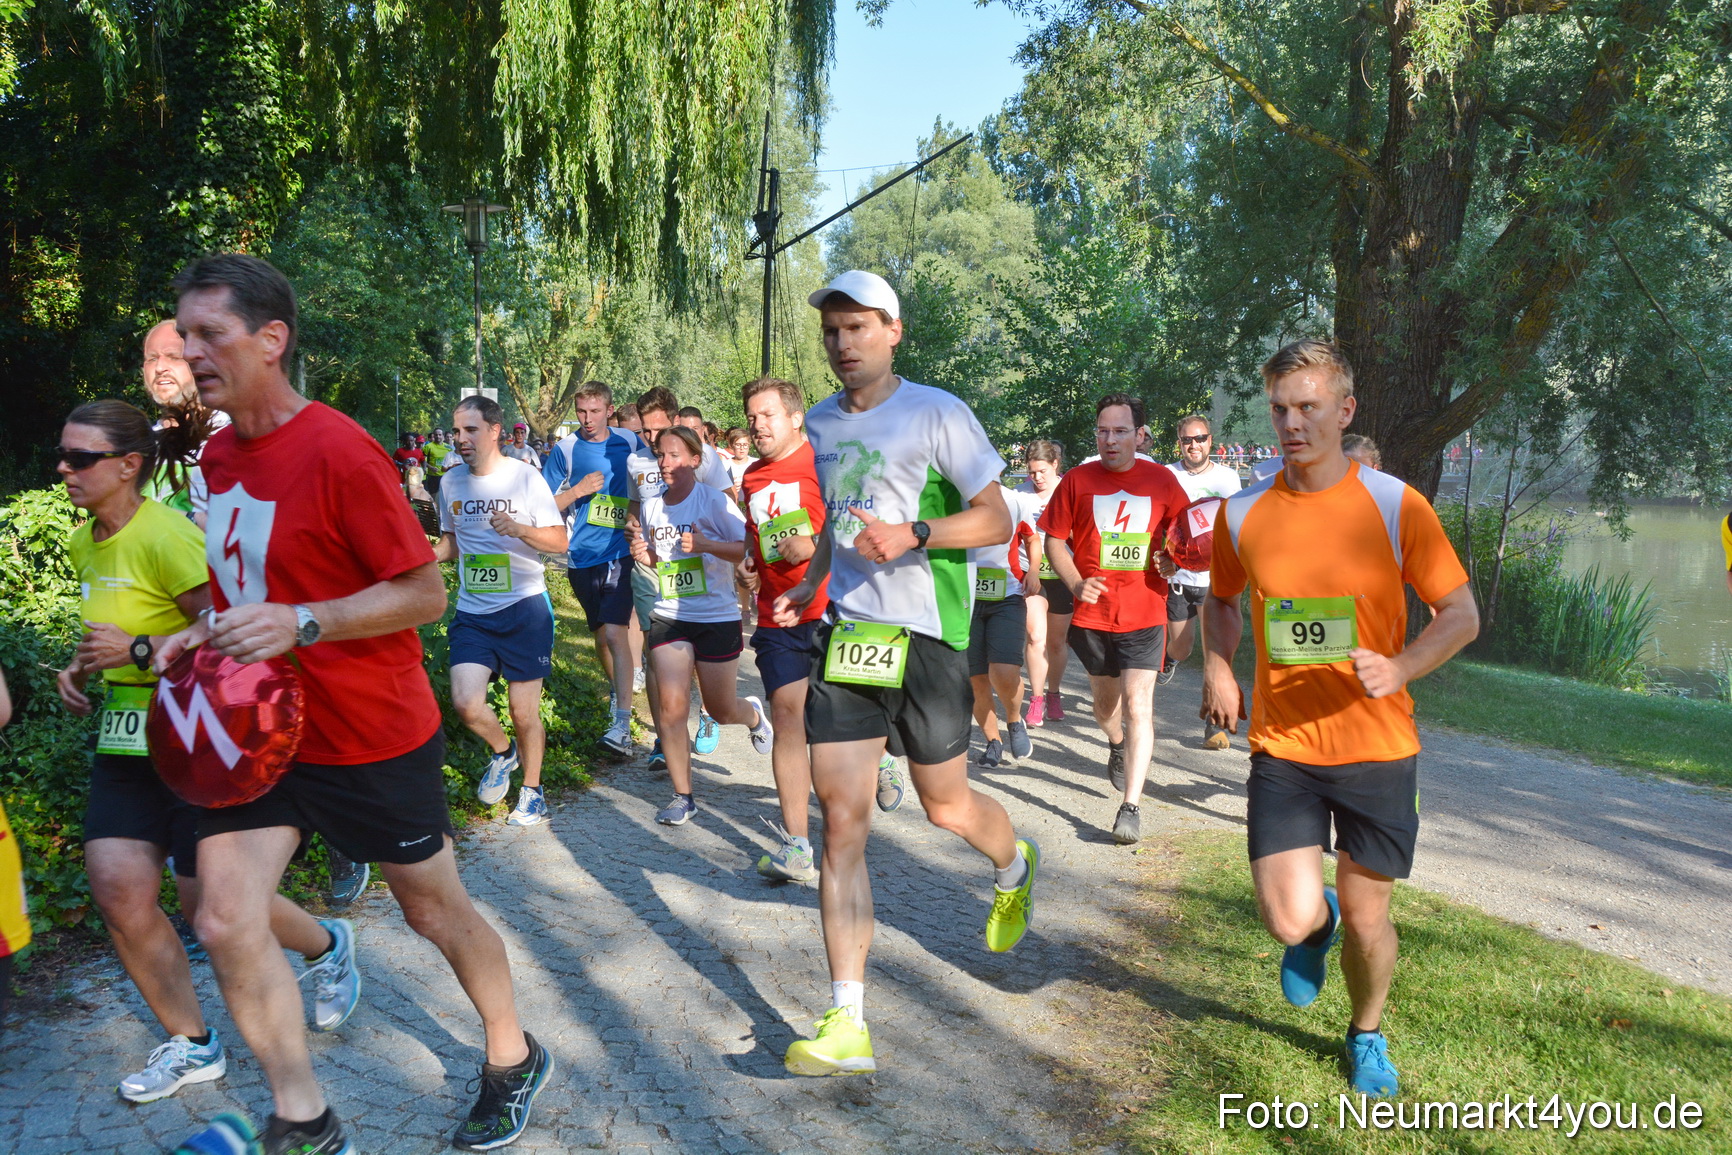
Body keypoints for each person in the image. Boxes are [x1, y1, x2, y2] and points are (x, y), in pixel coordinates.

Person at [160, 255, 552, 1154]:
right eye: (184, 334)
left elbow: (422, 591)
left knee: (431, 910)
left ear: (271, 340)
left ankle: (512, 1052)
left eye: (209, 334)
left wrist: (306, 620)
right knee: (221, 912)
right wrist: (204, 629)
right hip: (258, 731)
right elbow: (243, 584)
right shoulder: (217, 453)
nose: (190, 352)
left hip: (368, 731)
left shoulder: (340, 449)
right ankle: (304, 1117)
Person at [776, 270, 1037, 1077]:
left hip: (926, 634)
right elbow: (837, 516)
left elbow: (996, 516)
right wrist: (805, 577)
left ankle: (1015, 862)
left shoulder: (937, 411)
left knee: (946, 806)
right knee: (840, 822)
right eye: (831, 330)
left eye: (858, 327)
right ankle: (847, 1016)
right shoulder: (817, 423)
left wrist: (917, 531)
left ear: (893, 331)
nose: (843, 343)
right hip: (851, 637)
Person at [53, 400, 351, 1107]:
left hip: (199, 739)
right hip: (128, 735)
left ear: (129, 466)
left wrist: (133, 652)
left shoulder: (170, 538)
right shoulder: (81, 540)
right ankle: (191, 1042)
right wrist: (80, 667)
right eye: (61, 455)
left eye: (80, 458)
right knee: (118, 885)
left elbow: (222, 638)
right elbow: (112, 631)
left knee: (205, 902)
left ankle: (326, 945)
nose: (63, 469)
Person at [1203, 338, 1479, 1100]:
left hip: (1378, 748)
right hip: (1285, 748)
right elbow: (1221, 600)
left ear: (1344, 409)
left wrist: (1400, 667)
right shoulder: (1245, 509)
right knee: (1288, 918)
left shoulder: (1395, 505)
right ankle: (1310, 926)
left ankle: (1365, 1032)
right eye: (1281, 409)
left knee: (1369, 921)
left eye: (1309, 408)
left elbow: (1460, 614)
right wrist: (1222, 664)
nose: (1293, 424)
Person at [1039, 393, 1190, 845]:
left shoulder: (1162, 481)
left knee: (1139, 703)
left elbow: (1183, 539)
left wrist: (1172, 561)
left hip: (1145, 610)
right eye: (1103, 431)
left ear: (1140, 435)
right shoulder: (1077, 481)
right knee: (1107, 706)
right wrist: (1075, 583)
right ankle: (1116, 745)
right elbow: (1053, 542)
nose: (1110, 439)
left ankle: (1131, 806)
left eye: (1120, 431)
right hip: (1093, 615)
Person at [435, 395, 569, 827]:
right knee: (466, 703)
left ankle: (533, 791)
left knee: (523, 712)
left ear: (495, 431)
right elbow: (451, 544)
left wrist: (519, 529)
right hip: (474, 611)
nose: (461, 439)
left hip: (524, 608)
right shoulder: (451, 483)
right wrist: (424, 554)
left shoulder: (525, 478)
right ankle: (503, 752)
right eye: (456, 431)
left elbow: (560, 541)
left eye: (470, 430)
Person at [630, 425, 772, 825]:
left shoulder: (714, 502)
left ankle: (755, 717)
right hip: (670, 614)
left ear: (695, 460)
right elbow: (663, 559)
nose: (665, 463)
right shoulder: (653, 506)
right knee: (672, 707)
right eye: (660, 455)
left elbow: (747, 550)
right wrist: (647, 555)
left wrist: (707, 545)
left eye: (674, 455)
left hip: (716, 615)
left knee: (720, 708)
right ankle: (683, 796)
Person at [738, 377, 833, 880]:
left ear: (796, 417)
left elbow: (857, 529)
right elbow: (756, 542)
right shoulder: (751, 478)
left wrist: (814, 543)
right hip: (779, 615)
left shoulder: (825, 464)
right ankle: (798, 845)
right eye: (752, 418)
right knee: (787, 712)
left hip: (833, 610)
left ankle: (881, 755)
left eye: (767, 415)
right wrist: (748, 567)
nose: (757, 426)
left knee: (838, 720)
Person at [625, 388, 739, 773]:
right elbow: (638, 512)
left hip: (711, 597)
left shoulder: (705, 473)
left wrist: (707, 542)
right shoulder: (638, 468)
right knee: (665, 679)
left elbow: (734, 524)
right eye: (648, 436)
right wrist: (642, 544)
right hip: (663, 590)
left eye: (660, 433)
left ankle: (724, 712)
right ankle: (671, 755)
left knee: (717, 695)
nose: (656, 448)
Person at [541, 381, 639, 754]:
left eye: (595, 411)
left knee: (615, 634)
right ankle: (621, 695)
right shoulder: (566, 449)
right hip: (581, 557)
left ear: (609, 410)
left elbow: (653, 481)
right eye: (582, 411)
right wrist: (577, 491)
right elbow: (542, 505)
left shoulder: (630, 443)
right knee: (601, 637)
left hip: (620, 552)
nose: (587, 419)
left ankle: (622, 723)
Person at [1156, 415, 1241, 753]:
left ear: (1210, 440)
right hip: (1177, 576)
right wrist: (1162, 557)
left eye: (1200, 438)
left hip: (1215, 578)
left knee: (1214, 652)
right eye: (1187, 440)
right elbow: (1156, 522)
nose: (1194, 445)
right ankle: (1170, 659)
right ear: (1179, 442)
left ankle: (1213, 725)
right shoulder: (1167, 475)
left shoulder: (1228, 478)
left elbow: (1236, 523)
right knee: (1183, 647)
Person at [968, 478, 1041, 766]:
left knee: (1004, 670)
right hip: (966, 598)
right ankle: (992, 743)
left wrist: (1033, 571)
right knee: (976, 677)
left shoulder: (1015, 500)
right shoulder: (956, 499)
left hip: (1008, 593)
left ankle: (1014, 719)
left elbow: (1032, 538)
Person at [140, 319, 228, 526]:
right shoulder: (138, 444)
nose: (160, 367)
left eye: (174, 357)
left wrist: (183, 518)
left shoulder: (232, 439)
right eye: (151, 359)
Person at [1017, 441, 1071, 726]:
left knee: (1057, 642)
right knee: (1036, 637)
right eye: (1031, 472)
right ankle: (1036, 699)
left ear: (1055, 465)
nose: (1036, 478)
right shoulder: (1018, 495)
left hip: (1063, 575)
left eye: (1042, 471)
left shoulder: (1069, 491)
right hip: (1031, 572)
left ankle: (1054, 694)